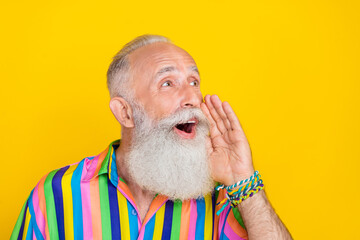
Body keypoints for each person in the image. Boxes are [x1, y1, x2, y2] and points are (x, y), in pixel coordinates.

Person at [11, 34, 292, 240]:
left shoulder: (220, 197)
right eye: (168, 83)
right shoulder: (56, 194)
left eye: (194, 82)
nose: (192, 98)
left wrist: (244, 178)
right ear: (125, 113)